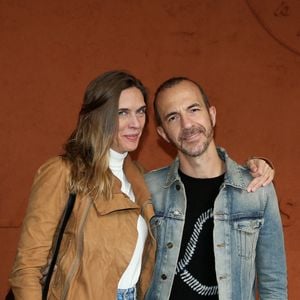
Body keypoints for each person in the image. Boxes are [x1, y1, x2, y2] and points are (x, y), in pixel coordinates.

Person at [9, 70, 274, 300]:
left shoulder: (141, 178)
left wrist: (255, 165)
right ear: (97, 116)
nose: (135, 123)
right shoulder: (63, 172)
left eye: (140, 112)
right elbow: (27, 269)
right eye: (122, 113)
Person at [144, 77, 287, 299]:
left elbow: (273, 283)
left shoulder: (256, 189)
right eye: (173, 117)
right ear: (163, 134)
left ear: (211, 115)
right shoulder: (148, 189)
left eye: (193, 109)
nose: (187, 125)